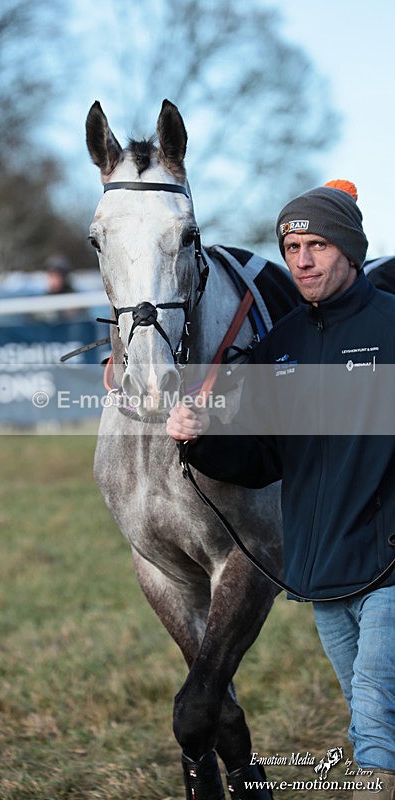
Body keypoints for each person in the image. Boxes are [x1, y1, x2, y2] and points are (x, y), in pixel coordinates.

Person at [167, 180, 395, 797]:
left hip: (390, 569)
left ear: (349, 248)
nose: (302, 259)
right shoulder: (284, 346)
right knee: (370, 712)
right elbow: (262, 457)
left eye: (318, 244)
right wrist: (200, 437)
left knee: (375, 729)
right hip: (322, 575)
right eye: (292, 246)